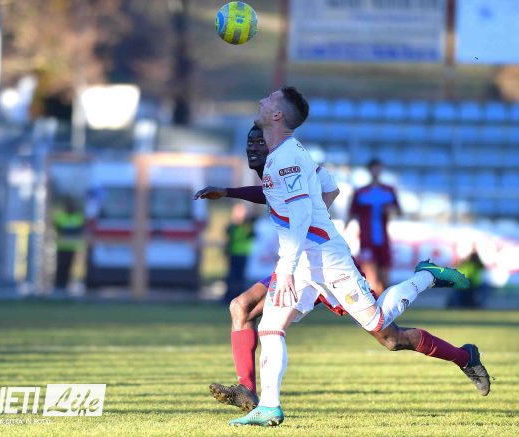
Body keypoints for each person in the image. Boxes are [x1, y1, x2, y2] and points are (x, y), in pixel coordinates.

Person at [199, 87, 490, 427]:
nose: (262, 100)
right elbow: (328, 186)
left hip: (326, 260)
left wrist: (294, 257)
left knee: (385, 332)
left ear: (277, 115)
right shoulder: (285, 156)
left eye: (270, 100)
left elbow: (302, 213)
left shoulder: (287, 158)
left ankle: (426, 278)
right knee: (270, 326)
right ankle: (269, 406)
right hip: (302, 260)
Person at [347, 158, 402, 293]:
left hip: (383, 239)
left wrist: (390, 210)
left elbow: (398, 211)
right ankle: (375, 300)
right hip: (366, 239)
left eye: (378, 168)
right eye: (374, 168)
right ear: (369, 170)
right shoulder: (360, 192)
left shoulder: (388, 190)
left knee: (385, 276)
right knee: (371, 276)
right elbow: (351, 214)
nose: (376, 171)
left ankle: (383, 298)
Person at [224, 203, 255, 304]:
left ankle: (241, 298)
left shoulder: (248, 225)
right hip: (234, 254)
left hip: (244, 254)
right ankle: (228, 297)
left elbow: (251, 235)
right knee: (232, 277)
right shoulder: (232, 226)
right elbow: (228, 238)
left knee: (241, 278)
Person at [53, 197, 85, 290]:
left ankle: (65, 284)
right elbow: (57, 228)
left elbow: (80, 229)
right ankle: (58, 284)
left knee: (69, 266)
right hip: (62, 246)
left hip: (71, 246)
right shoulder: (61, 216)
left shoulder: (78, 217)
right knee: (61, 266)